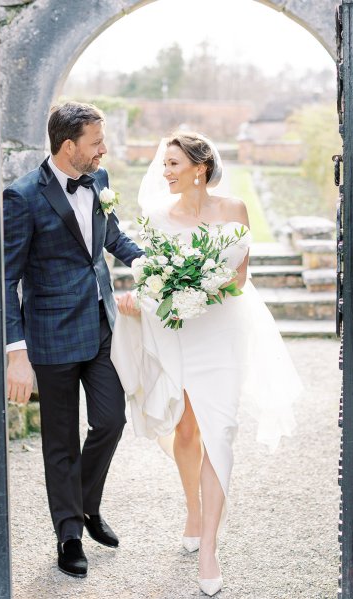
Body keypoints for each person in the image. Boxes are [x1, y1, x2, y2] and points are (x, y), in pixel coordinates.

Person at [112, 132, 302, 596]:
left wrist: (205, 287)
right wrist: (147, 294)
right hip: (180, 328)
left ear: (200, 166)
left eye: (174, 164)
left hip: (224, 329)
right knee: (186, 429)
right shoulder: (158, 216)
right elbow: (153, 274)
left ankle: (211, 546)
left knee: (220, 430)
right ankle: (192, 510)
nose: (166, 172)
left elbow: (240, 275)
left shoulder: (234, 209)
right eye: (165, 165)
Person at [4, 102, 144, 579]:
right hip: (49, 338)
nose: (104, 150)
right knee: (59, 441)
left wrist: (156, 266)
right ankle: (68, 534)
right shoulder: (22, 197)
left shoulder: (99, 181)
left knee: (111, 420)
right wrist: (15, 352)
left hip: (100, 325)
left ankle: (84, 504)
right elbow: (7, 280)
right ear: (69, 147)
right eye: (96, 143)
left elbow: (114, 239)